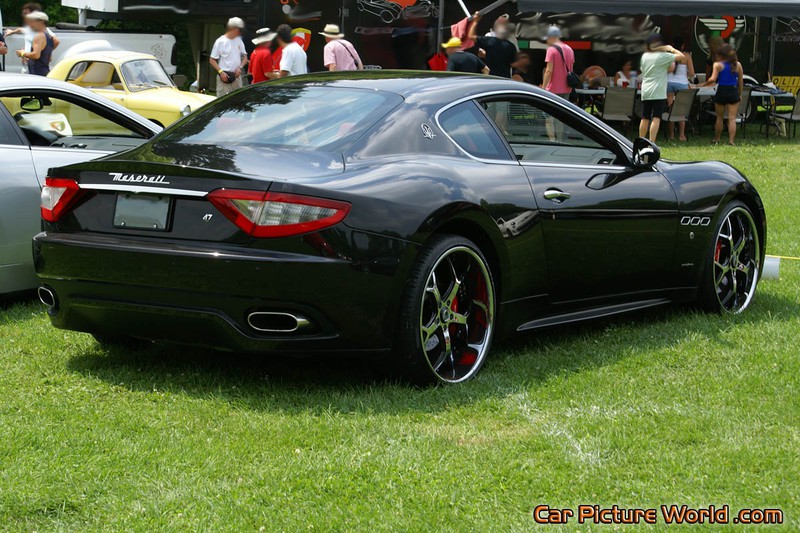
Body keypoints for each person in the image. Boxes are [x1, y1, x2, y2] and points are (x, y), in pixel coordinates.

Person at [639, 34, 685, 142]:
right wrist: (671, 49)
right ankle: (651, 141)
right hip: (658, 90)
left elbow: (646, 70)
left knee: (645, 117)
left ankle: (641, 140)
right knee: (656, 117)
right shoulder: (662, 56)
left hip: (646, 90)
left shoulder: (645, 56)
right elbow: (681, 56)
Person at [700, 44, 744, 146]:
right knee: (732, 118)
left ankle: (717, 138)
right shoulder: (738, 65)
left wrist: (700, 84)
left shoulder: (718, 65)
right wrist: (740, 94)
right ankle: (731, 141)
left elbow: (712, 79)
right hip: (733, 91)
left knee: (719, 118)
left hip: (722, 91)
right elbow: (741, 82)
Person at [4, 3, 59, 74]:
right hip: (29, 66)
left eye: (26, 13)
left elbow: (56, 41)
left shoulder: (43, 31)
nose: (24, 15)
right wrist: (12, 32)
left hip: (36, 68)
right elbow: (21, 30)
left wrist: (24, 54)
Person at [467, 12, 517, 78]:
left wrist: (475, 21)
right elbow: (514, 63)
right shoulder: (512, 46)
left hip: (491, 78)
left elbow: (471, 36)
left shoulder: (490, 41)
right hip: (505, 79)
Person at [666, 37, 696, 141]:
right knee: (681, 110)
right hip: (682, 84)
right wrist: (685, 74)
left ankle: (671, 135)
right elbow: (692, 73)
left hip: (669, 83)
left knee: (671, 110)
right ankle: (682, 135)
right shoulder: (686, 56)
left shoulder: (669, 55)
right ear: (683, 45)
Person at [209, 17, 247, 96]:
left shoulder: (239, 41)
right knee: (222, 100)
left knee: (239, 99)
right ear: (233, 28)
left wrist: (240, 67)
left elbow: (245, 57)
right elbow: (212, 60)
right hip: (224, 77)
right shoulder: (220, 41)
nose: (240, 32)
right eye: (239, 30)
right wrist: (221, 72)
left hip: (237, 77)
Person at [15, 11, 55, 76]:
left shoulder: (39, 36)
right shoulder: (49, 36)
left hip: (37, 73)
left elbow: (36, 55)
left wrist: (22, 53)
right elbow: (49, 58)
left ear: (41, 22)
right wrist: (28, 55)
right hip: (44, 71)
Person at [542, 26, 574, 99]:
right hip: (567, 88)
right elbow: (571, 68)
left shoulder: (551, 50)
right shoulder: (570, 49)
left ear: (551, 37)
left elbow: (549, 71)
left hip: (553, 89)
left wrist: (543, 88)